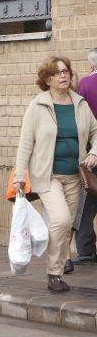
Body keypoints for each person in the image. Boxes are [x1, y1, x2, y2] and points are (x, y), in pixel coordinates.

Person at [14, 56, 97, 292]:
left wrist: (95, 153)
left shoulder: (80, 103)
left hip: (75, 176)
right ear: (47, 79)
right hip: (47, 175)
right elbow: (25, 143)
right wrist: (20, 175)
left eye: (66, 71)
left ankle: (58, 272)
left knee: (68, 224)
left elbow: (95, 131)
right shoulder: (38, 105)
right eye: (57, 73)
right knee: (60, 219)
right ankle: (53, 271)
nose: (63, 76)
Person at [72, 48, 97, 266]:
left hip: (91, 156)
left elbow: (81, 120)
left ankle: (87, 250)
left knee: (86, 205)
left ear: (91, 65)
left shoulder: (86, 86)